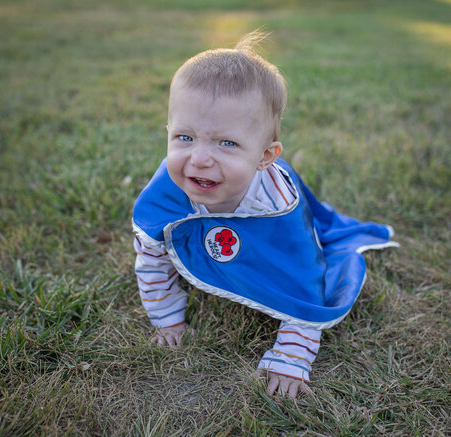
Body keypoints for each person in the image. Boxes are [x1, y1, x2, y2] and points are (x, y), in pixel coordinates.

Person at [132, 32, 397, 398]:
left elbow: (303, 280)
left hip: (266, 213)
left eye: (227, 143)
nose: (200, 158)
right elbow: (152, 261)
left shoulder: (279, 209)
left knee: (313, 260)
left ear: (265, 156)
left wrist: (292, 355)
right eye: (184, 137)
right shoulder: (166, 193)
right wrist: (168, 321)